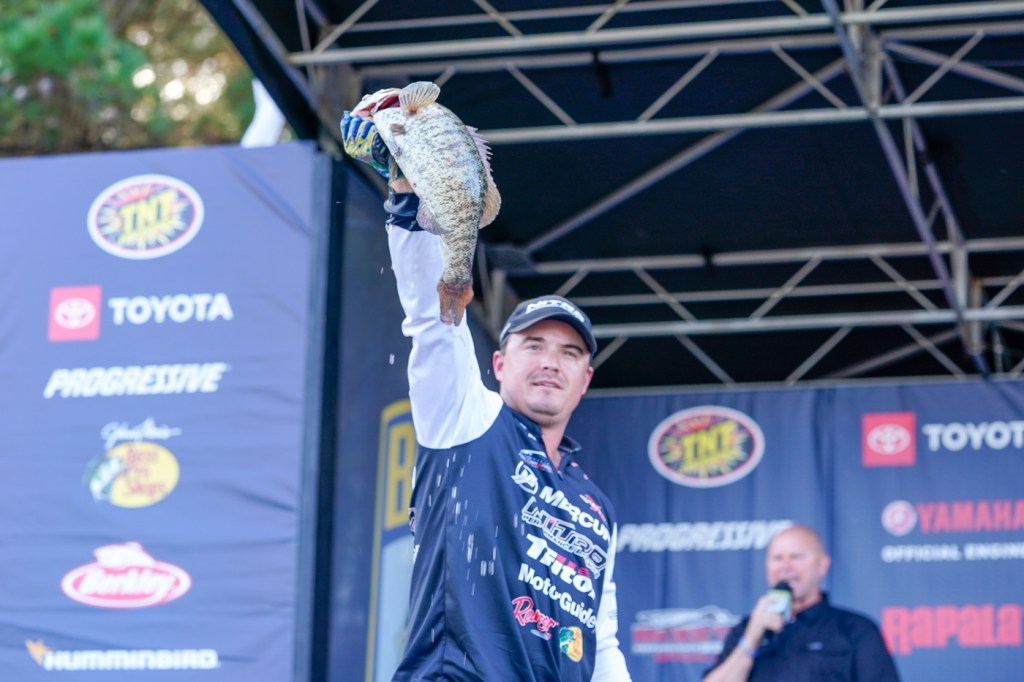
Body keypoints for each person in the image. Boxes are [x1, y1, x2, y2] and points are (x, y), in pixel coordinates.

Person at [341, 112, 632, 681]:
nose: (550, 362)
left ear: (586, 379)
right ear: (499, 364)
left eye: (569, 353)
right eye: (534, 345)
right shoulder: (467, 418)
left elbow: (602, 643)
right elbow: (431, 320)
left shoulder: (597, 507)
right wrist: (406, 195)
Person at [704, 525, 899, 682]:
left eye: (796, 557)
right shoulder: (747, 629)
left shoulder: (855, 630)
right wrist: (751, 639)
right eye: (777, 558)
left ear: (822, 565)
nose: (785, 567)